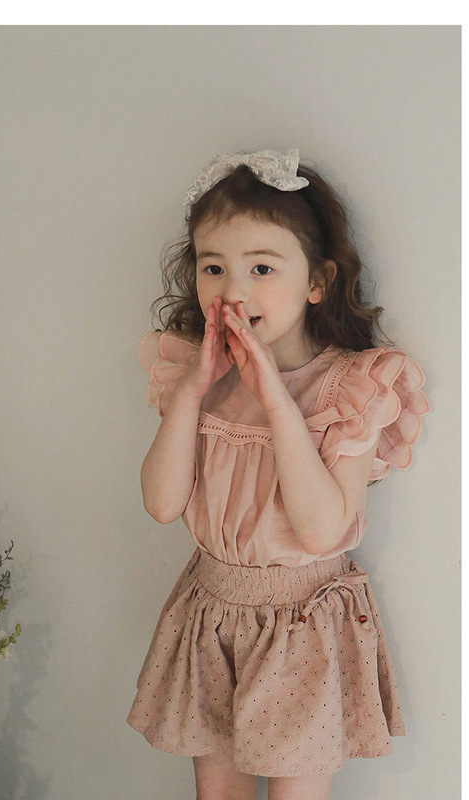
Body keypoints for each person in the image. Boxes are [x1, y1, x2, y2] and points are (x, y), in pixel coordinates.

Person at [126, 149, 431, 800]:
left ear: (317, 281)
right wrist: (194, 391)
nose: (232, 290)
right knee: (217, 793)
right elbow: (161, 503)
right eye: (213, 267)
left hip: (303, 627)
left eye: (261, 267)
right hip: (211, 616)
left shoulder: (350, 388)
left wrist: (275, 400)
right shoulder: (197, 379)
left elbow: (322, 531)